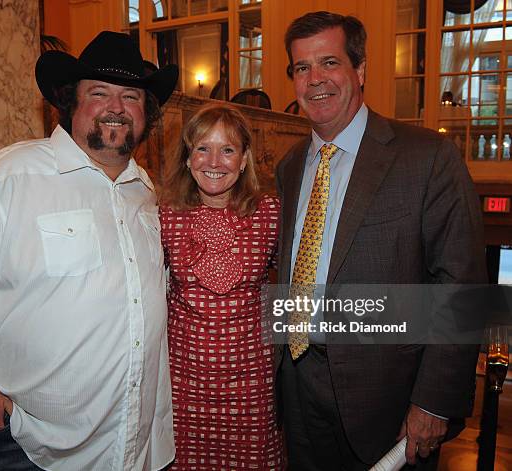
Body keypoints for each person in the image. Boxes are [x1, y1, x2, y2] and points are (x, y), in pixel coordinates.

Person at [0, 31, 178, 471]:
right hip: (28, 448)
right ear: (70, 103)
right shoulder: (12, 176)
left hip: (130, 446)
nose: (116, 107)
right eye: (99, 93)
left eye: (131, 96)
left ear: (145, 114)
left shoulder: (145, 190)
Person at [275, 11, 486, 470]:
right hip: (295, 388)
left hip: (388, 401)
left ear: (361, 69)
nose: (315, 80)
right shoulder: (289, 165)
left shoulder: (427, 157)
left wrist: (434, 402)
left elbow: (463, 287)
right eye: (302, 68)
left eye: (329, 63)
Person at [159, 103, 283, 470]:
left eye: (227, 149)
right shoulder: (164, 215)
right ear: (187, 158)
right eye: (202, 148)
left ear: (244, 160)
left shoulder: (271, 213)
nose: (214, 160)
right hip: (184, 381)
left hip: (250, 381)